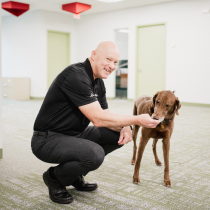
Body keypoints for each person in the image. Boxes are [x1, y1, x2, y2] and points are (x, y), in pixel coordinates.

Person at [31, 41, 161, 204]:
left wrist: (125, 126)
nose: (112, 66)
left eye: (115, 62)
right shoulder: (75, 75)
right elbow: (98, 119)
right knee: (94, 154)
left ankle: (73, 175)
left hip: (73, 135)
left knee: (116, 134)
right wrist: (136, 120)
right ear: (94, 55)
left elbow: (105, 114)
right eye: (108, 59)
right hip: (46, 139)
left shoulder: (98, 82)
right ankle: (54, 177)